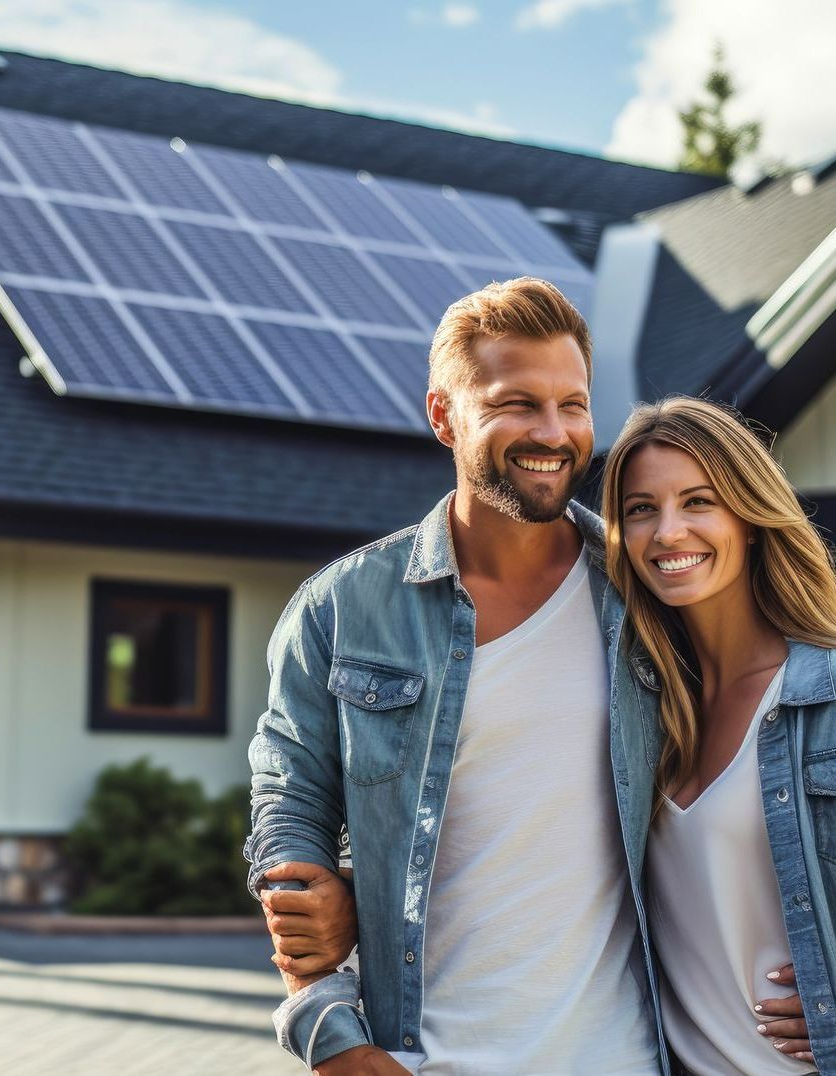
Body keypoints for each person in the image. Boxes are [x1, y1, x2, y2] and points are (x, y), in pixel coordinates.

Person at [246, 279, 803, 1074]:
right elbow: (288, 807)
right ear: (443, 415)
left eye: (571, 404)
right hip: (414, 1057)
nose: (553, 433)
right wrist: (323, 1022)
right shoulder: (342, 610)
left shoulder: (646, 591)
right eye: (518, 403)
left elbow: (762, 769)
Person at [599, 397, 836, 1072]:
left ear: (750, 517)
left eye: (697, 501)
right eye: (640, 509)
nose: (667, 532)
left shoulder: (823, 696)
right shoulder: (637, 717)